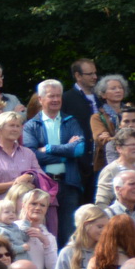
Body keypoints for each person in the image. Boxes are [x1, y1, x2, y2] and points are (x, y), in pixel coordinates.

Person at [22, 79, 90, 243]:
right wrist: (66, 152)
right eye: (51, 96)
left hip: (68, 183)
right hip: (43, 185)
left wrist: (50, 148)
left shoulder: (71, 121)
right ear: (40, 99)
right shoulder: (31, 126)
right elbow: (32, 155)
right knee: (45, 232)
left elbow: (79, 149)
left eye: (58, 96)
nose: (56, 100)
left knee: (69, 233)